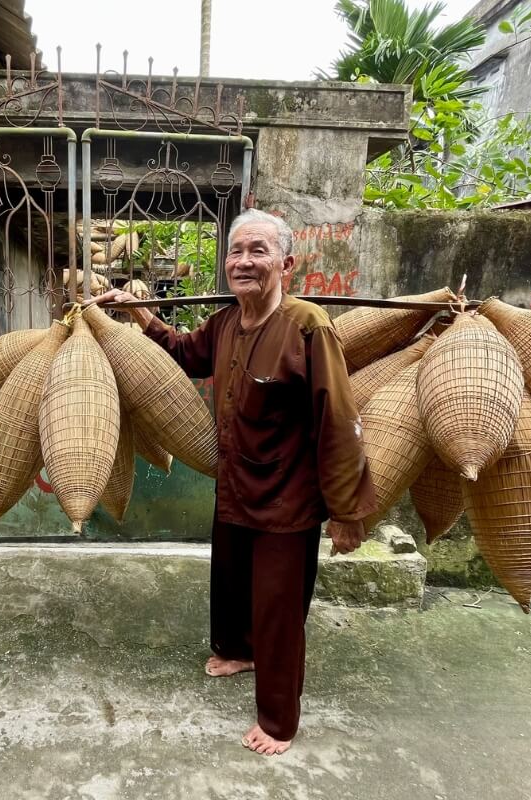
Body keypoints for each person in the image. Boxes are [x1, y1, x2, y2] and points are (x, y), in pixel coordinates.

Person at [93, 208, 375, 756]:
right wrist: (142, 316)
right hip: (237, 487)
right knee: (230, 584)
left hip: (287, 502)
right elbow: (184, 353)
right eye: (236, 252)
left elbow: (337, 421)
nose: (243, 262)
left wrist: (346, 510)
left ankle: (278, 719)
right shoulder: (226, 322)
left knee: (277, 608)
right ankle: (238, 650)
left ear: (286, 264)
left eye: (258, 251)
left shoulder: (307, 327)